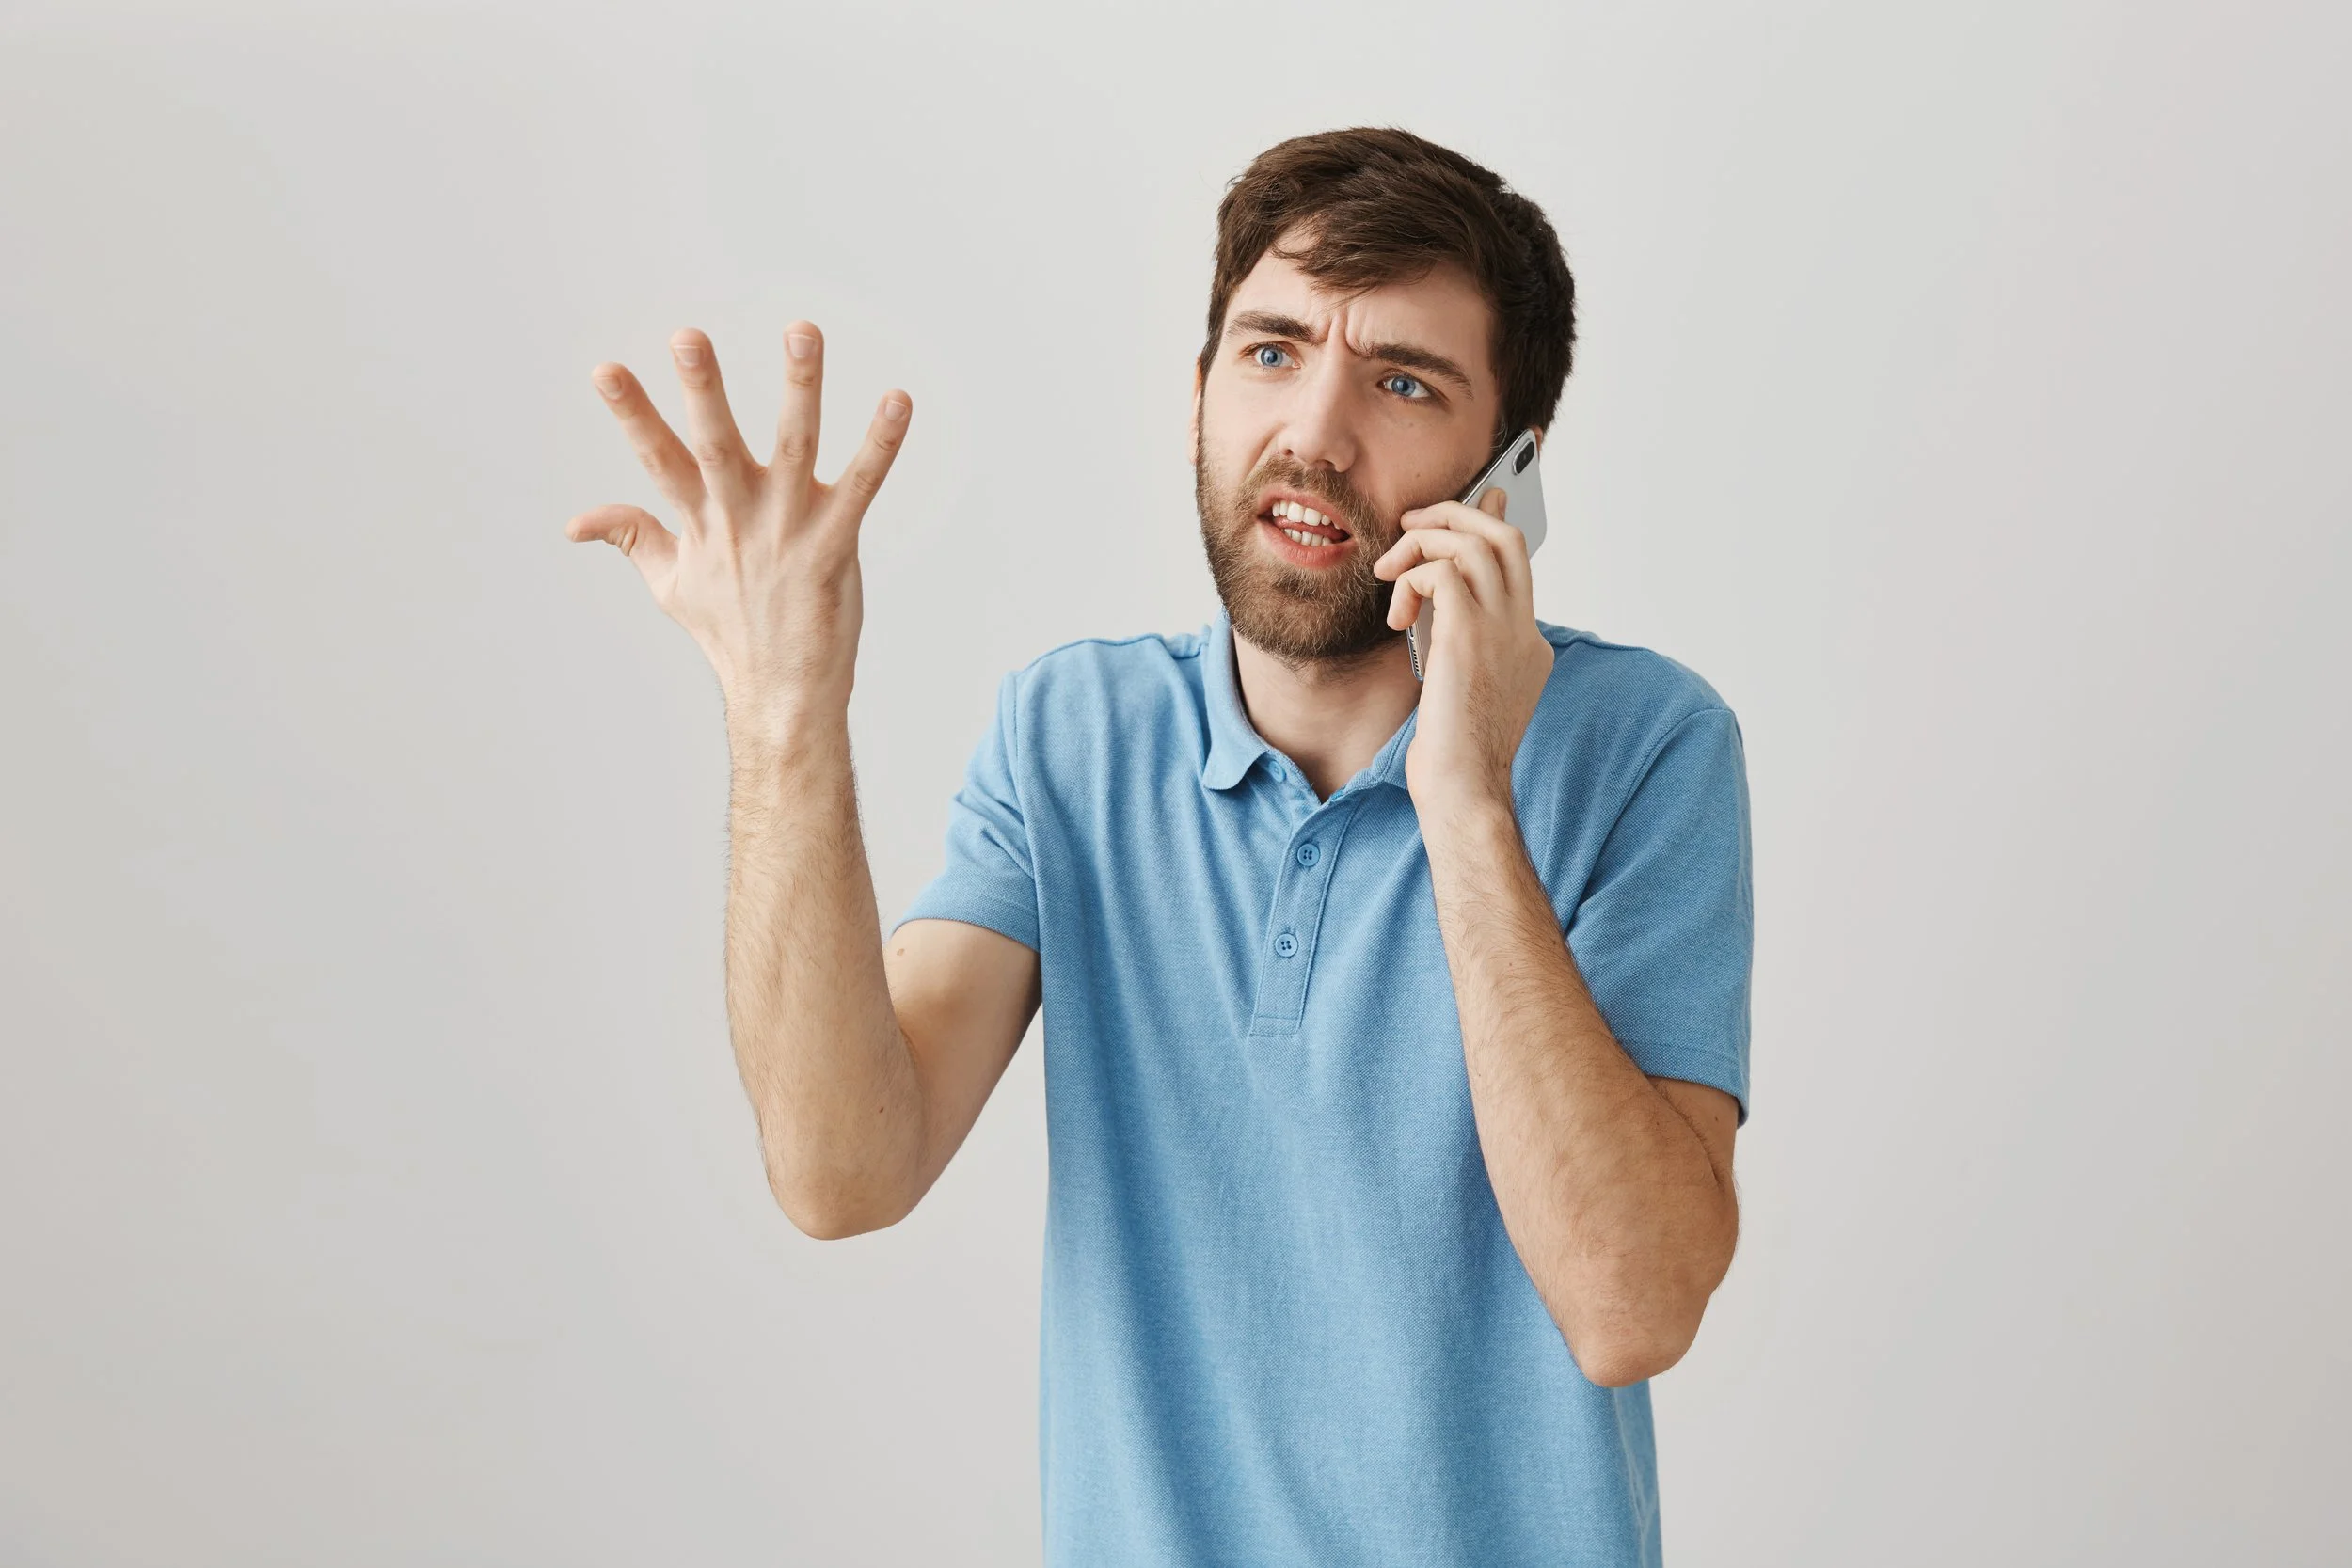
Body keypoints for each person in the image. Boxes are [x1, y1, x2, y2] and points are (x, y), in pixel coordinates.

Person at [568, 126, 1753, 1568]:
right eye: (1271, 353)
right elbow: (840, 1170)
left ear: (1508, 476)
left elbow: (1631, 1307)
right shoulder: (1073, 734)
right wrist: (784, 711)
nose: (1314, 432)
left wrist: (1464, 799)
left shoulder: (1648, 746)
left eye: (1401, 382)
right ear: (1197, 397)